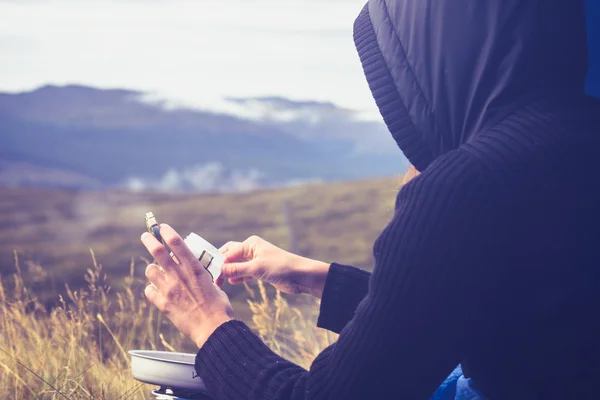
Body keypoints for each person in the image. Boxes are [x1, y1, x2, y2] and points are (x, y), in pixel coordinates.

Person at [140, 0, 600, 399]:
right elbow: (494, 318)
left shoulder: (466, 185)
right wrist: (316, 277)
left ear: (436, 55)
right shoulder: (579, 139)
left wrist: (209, 322)